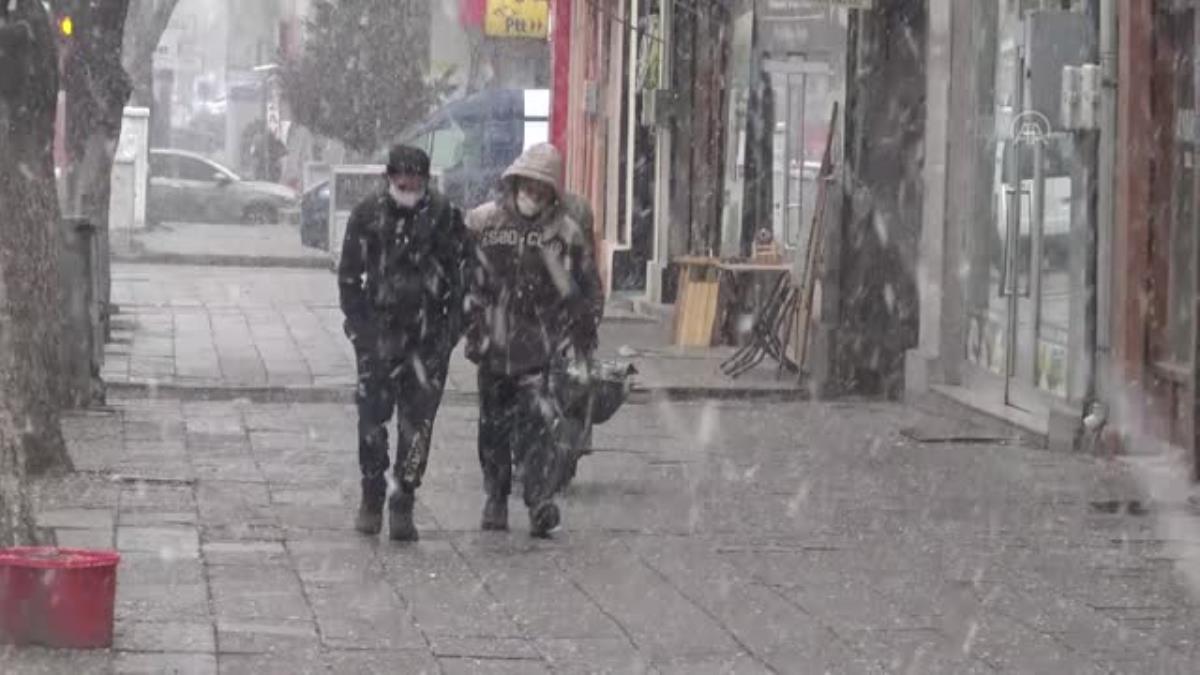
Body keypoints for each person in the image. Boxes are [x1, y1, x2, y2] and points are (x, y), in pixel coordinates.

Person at [465, 143, 604, 538]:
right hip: (494, 342)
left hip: (540, 346)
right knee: (492, 427)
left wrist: (583, 331)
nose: (533, 194)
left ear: (552, 194)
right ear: (516, 182)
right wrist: (471, 324)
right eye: (529, 185)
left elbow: (586, 288)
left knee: (538, 425)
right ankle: (495, 496)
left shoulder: (565, 234)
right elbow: (464, 275)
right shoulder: (485, 222)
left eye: (542, 189)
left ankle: (539, 499)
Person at [338, 145, 470, 541]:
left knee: (418, 428)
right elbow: (349, 277)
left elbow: (465, 276)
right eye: (400, 175)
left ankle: (403, 500)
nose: (407, 183)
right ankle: (371, 494)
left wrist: (450, 333)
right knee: (372, 424)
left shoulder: (445, 217)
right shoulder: (368, 215)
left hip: (427, 343)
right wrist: (361, 329)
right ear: (389, 176)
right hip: (378, 339)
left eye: (415, 176)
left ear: (426, 179)